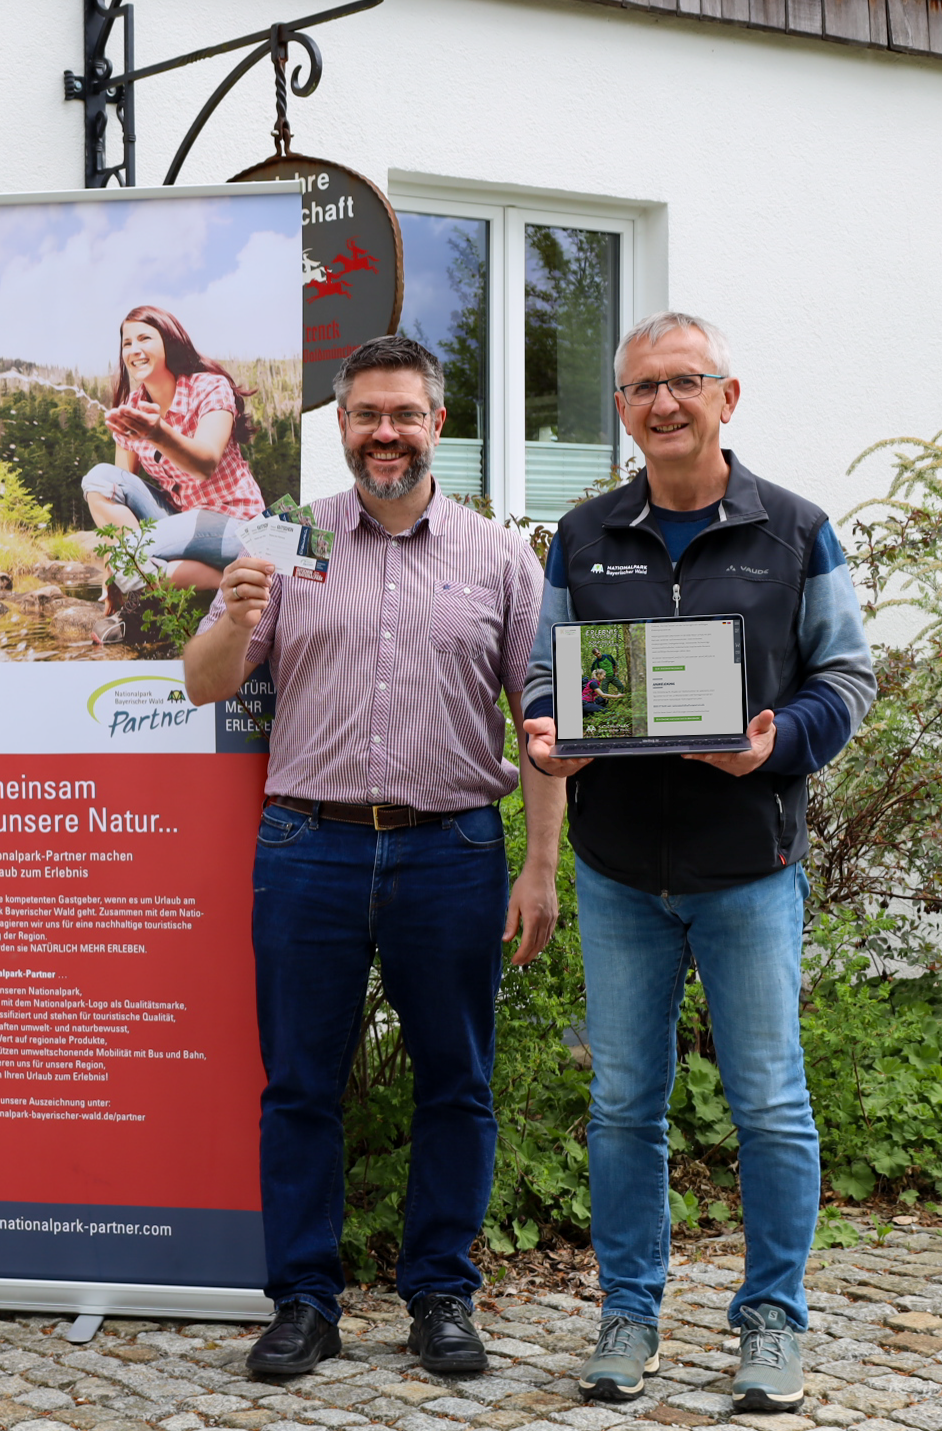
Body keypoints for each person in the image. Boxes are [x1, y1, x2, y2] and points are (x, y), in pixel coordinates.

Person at [183, 335, 566, 1376]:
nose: (383, 433)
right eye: (365, 415)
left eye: (402, 414)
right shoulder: (286, 537)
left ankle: (440, 1294)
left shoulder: (498, 558)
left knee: (456, 1083)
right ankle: (304, 1302)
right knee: (299, 1086)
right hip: (307, 846)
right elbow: (204, 682)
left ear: (436, 423)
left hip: (450, 850)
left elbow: (541, 726)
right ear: (342, 425)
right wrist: (233, 615)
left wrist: (538, 868)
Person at [523, 313, 876, 1411]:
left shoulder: (796, 531)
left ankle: (772, 1320)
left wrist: (776, 743)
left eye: (684, 382)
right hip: (619, 869)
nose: (662, 403)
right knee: (623, 1104)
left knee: (767, 1103)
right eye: (641, 387)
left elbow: (846, 678)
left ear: (728, 396)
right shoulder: (581, 534)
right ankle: (627, 1312)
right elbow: (545, 677)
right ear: (621, 409)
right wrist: (547, 733)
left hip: (748, 867)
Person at [81, 306, 267, 628]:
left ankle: (231, 579)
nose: (134, 350)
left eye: (144, 338)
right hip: (181, 522)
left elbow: (205, 464)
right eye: (127, 343)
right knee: (99, 479)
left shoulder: (209, 387)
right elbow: (120, 488)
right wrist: (117, 564)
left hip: (237, 525)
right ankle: (149, 575)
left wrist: (158, 433)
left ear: (169, 341)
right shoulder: (131, 408)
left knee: (127, 560)